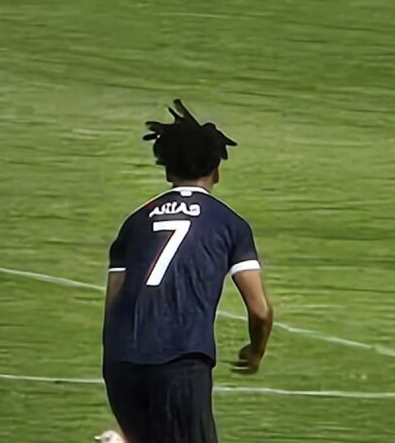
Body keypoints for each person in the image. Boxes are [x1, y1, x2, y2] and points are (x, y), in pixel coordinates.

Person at [98, 100, 274, 443]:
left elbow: (112, 306)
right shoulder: (229, 224)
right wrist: (255, 351)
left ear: (168, 171)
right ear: (216, 170)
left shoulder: (135, 223)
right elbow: (260, 310)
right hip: (180, 358)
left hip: (121, 358)